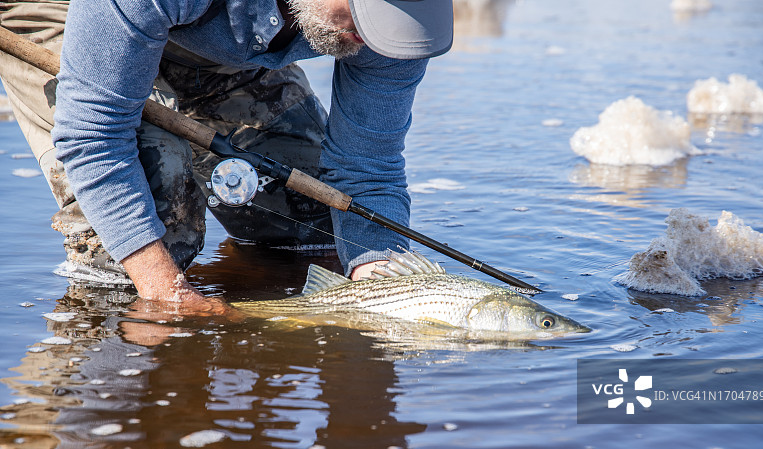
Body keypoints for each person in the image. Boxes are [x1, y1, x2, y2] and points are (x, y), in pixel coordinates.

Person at [0, 0, 453, 312]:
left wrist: (382, 283)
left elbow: (368, 169)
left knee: (316, 219)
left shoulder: (399, 31)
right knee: (155, 218)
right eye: (365, 19)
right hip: (74, 13)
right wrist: (165, 291)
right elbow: (94, 133)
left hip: (211, 32)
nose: (370, 40)